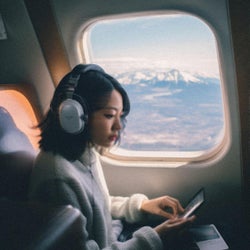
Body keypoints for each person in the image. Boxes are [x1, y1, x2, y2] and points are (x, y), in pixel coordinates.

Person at [28, 64, 195, 250]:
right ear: (73, 115)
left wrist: (142, 205)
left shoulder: (83, 153)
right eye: (109, 115)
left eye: (120, 116)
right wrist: (154, 238)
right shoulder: (58, 179)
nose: (119, 126)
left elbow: (99, 207)